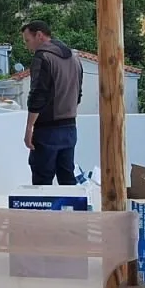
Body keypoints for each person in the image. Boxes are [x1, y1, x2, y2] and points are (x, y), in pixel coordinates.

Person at [20, 21, 84, 185]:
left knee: (42, 181)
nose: (27, 46)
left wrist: (29, 127)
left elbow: (38, 95)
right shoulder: (75, 58)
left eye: (28, 40)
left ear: (39, 35)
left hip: (47, 130)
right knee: (67, 178)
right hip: (70, 128)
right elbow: (78, 95)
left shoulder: (43, 57)